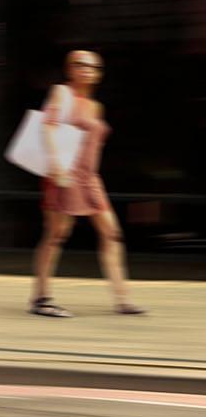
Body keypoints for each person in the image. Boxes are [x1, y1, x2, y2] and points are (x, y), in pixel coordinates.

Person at [29, 50, 146, 317]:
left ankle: (123, 299)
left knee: (112, 232)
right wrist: (56, 164)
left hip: (90, 178)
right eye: (80, 65)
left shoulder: (95, 107)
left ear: (98, 73)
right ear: (70, 69)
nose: (86, 70)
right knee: (57, 234)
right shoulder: (61, 93)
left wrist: (93, 176)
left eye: (92, 66)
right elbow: (47, 126)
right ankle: (41, 299)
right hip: (64, 174)